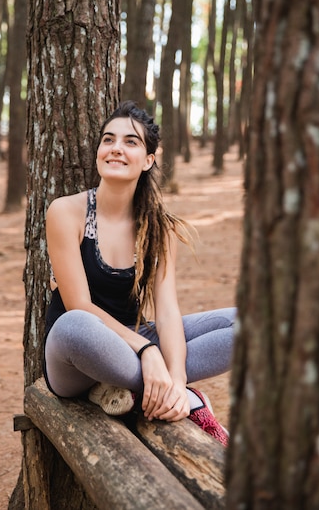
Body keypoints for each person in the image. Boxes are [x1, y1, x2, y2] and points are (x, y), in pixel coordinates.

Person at [43, 101, 235, 446]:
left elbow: (166, 311)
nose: (116, 148)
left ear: (148, 160)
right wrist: (149, 351)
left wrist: (176, 377)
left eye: (130, 142)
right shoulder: (66, 212)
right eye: (108, 140)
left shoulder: (158, 227)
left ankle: (168, 391)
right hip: (77, 354)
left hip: (133, 343)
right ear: (99, 151)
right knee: (74, 327)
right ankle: (188, 401)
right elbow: (78, 305)